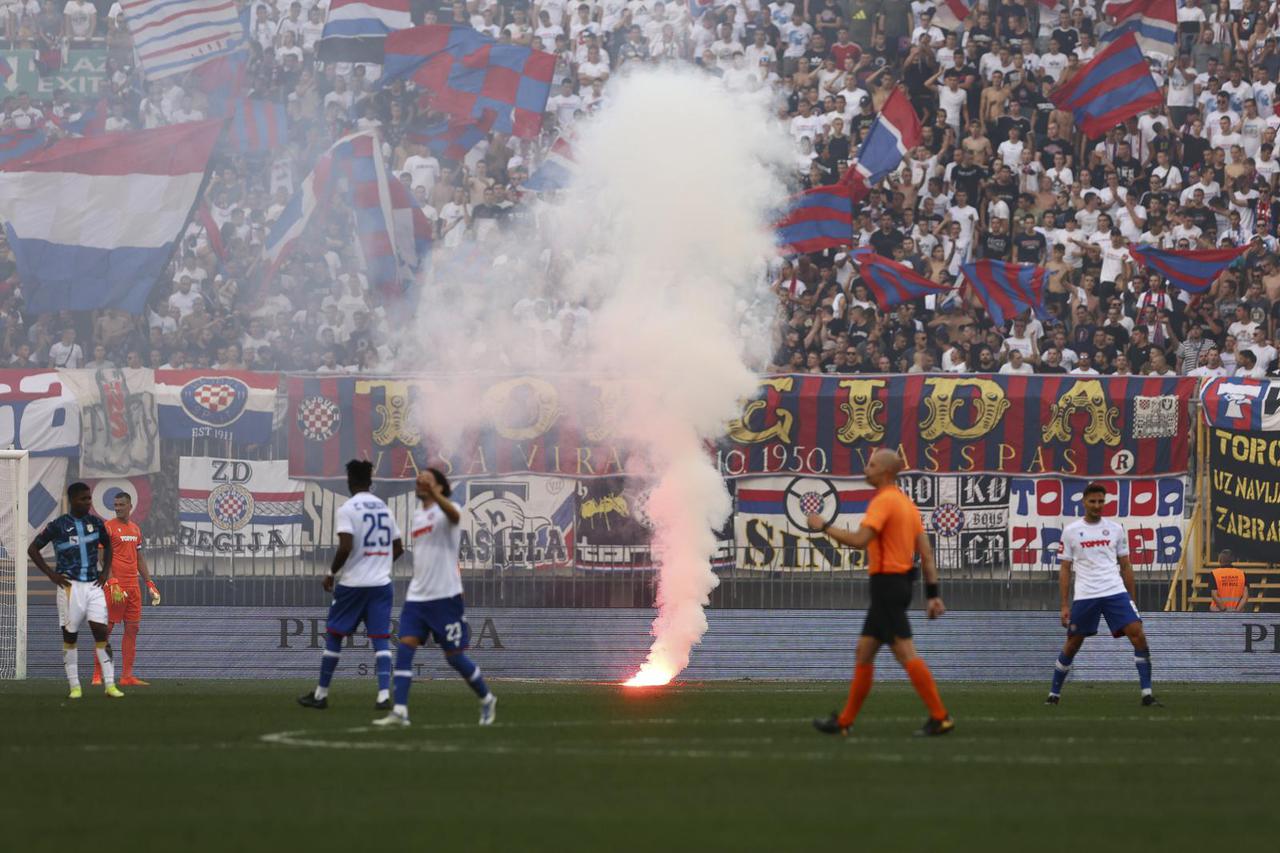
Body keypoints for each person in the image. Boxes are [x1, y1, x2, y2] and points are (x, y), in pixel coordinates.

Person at [807, 449, 953, 737]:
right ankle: (845, 722)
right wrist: (933, 594)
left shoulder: (884, 501)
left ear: (886, 472)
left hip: (887, 585)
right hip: (896, 587)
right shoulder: (907, 505)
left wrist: (823, 526)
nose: (866, 468)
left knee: (904, 652)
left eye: (872, 464)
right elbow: (926, 553)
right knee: (864, 652)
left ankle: (941, 716)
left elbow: (860, 540)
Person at [374, 470, 497, 728]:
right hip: (417, 597)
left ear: (439, 486)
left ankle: (486, 698)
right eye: (419, 479)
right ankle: (400, 710)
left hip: (445, 598)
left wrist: (437, 494)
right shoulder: (418, 515)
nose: (420, 481)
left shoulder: (448, 510)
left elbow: (455, 516)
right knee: (405, 648)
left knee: (454, 657)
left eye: (427, 479)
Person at [298, 460, 403, 711]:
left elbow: (345, 546)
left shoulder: (348, 508)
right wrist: (380, 564)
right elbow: (399, 547)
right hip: (381, 584)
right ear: (370, 481)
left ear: (350, 481)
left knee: (335, 635)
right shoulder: (384, 509)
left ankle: (321, 695)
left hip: (354, 584)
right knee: (380, 639)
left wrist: (331, 572)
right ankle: (383, 696)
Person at [1046, 482, 1160, 707]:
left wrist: (1131, 599)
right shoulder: (1071, 531)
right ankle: (1054, 694)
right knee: (1073, 644)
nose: (1097, 505)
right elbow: (1065, 569)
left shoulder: (1116, 529)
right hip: (1086, 594)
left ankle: (1147, 694)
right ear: (1084, 502)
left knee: (1138, 634)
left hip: (1114, 591)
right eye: (1093, 501)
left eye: (1101, 501)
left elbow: (1125, 565)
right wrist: (1064, 605)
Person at [27, 482, 124, 699]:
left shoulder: (96, 523)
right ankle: (75, 686)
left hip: (93, 586)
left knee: (101, 632)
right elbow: (32, 549)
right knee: (70, 637)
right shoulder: (58, 525)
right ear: (72, 500)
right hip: (69, 588)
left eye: (89, 498)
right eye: (84, 499)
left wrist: (105, 571)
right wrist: (51, 574)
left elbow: (108, 545)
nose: (88, 502)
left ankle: (110, 685)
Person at [92, 492, 160, 687]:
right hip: (115, 586)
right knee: (107, 629)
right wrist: (111, 580)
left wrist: (149, 583)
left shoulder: (136, 529)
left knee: (133, 628)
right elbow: (102, 556)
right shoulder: (108, 527)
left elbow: (139, 558)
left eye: (121, 504)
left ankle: (127, 676)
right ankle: (97, 675)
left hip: (133, 586)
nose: (118, 507)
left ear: (130, 506)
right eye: (115, 504)